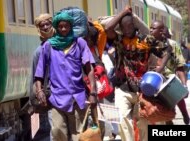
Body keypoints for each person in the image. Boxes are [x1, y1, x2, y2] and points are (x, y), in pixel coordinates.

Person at [34, 12, 97, 141]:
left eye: (66, 26)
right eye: (60, 26)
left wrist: (93, 92)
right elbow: (39, 72)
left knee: (78, 136)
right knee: (57, 132)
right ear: (56, 27)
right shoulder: (49, 45)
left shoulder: (79, 43)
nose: (63, 29)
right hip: (57, 98)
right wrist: (39, 91)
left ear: (71, 27)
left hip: (77, 98)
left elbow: (89, 68)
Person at [105, 6, 150, 141]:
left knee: (143, 123)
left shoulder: (144, 39)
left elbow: (161, 47)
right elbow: (108, 28)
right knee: (123, 119)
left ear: (134, 25)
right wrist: (123, 12)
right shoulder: (118, 39)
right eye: (123, 27)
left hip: (143, 88)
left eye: (130, 26)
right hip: (123, 87)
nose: (127, 29)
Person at [149, 21, 190, 125]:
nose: (151, 30)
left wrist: (184, 85)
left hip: (169, 79)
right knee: (159, 112)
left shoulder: (172, 45)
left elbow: (180, 66)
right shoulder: (148, 43)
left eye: (153, 29)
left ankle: (185, 113)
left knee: (176, 92)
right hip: (152, 79)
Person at [28, 13, 55, 140]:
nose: (45, 27)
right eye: (42, 25)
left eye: (47, 24)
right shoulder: (39, 52)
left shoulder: (61, 45)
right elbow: (36, 77)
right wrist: (36, 96)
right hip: (51, 96)